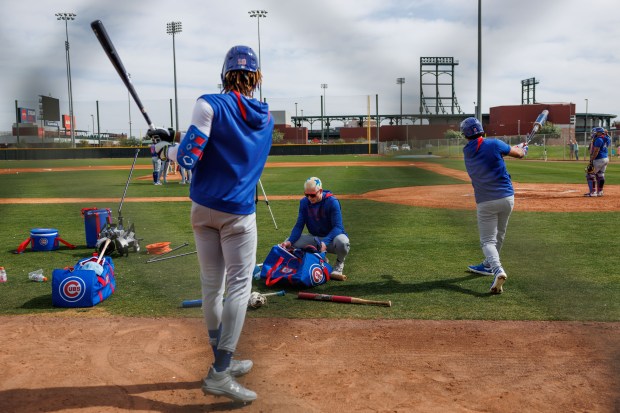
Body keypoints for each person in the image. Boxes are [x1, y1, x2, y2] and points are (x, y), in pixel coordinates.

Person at [148, 45, 273, 403]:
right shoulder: (265, 118)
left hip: (203, 210)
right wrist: (174, 136)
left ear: (224, 74)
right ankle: (220, 370)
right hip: (238, 214)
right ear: (256, 78)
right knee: (237, 289)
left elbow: (189, 155)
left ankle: (222, 362)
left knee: (211, 287)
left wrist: (163, 149)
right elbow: (218, 142)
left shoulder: (208, 104)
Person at [460, 117, 527, 294]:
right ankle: (488, 265)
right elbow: (518, 154)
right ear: (482, 130)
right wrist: (521, 149)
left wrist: (517, 149)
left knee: (487, 240)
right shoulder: (495, 144)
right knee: (500, 234)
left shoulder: (467, 150)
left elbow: (489, 150)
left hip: (486, 200)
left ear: (466, 136)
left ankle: (497, 269)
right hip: (507, 197)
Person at [281, 177, 350, 276]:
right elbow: (299, 225)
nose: (309, 198)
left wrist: (325, 242)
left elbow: (338, 227)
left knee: (343, 242)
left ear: (320, 191)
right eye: (306, 194)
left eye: (312, 195)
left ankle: (339, 263)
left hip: (332, 239)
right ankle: (316, 258)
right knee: (290, 241)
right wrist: (289, 241)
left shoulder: (332, 201)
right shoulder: (304, 202)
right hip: (315, 239)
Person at [584, 127, 610, 197]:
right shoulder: (607, 138)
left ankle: (592, 192)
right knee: (600, 174)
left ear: (600, 133)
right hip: (605, 158)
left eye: (596, 132)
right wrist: (606, 133)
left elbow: (596, 151)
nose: (594, 133)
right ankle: (600, 192)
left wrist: (592, 159)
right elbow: (607, 137)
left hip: (598, 159)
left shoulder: (598, 139)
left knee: (590, 174)